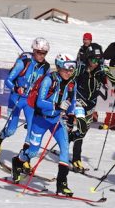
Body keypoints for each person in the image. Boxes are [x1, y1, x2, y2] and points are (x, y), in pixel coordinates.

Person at [10, 54, 83, 196]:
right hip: (40, 120)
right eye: (67, 68)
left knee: (65, 148)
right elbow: (39, 102)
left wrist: (73, 116)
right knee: (33, 152)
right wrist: (56, 105)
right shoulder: (49, 80)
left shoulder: (71, 84)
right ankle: (18, 161)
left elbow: (72, 103)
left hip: (55, 120)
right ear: (60, 67)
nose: (70, 72)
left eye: (72, 69)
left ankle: (62, 183)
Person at [0, 37, 50, 160]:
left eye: (44, 53)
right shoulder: (24, 62)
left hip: (30, 102)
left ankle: (24, 158)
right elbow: (8, 80)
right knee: (11, 130)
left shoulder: (45, 67)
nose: (41, 56)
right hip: (16, 98)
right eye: (39, 52)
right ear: (33, 50)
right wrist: (16, 88)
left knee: (31, 130)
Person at [70, 48, 115, 171]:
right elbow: (69, 79)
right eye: (93, 60)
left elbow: (114, 80)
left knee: (82, 133)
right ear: (88, 59)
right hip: (79, 101)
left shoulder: (102, 68)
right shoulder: (80, 67)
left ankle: (68, 137)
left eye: (98, 60)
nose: (95, 63)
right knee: (81, 126)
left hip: (91, 103)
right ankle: (76, 159)